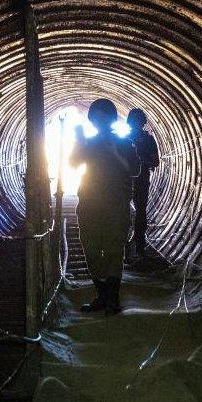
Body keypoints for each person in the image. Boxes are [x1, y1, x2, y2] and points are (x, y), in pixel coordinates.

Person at [70, 99, 140, 315]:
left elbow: (135, 170)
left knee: (113, 251)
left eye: (102, 116)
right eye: (96, 117)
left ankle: (113, 299)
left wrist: (116, 153)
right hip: (90, 203)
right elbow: (73, 163)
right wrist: (79, 141)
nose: (99, 121)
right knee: (91, 250)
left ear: (110, 118)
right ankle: (102, 296)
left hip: (116, 204)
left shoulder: (124, 143)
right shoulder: (88, 142)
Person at [126, 108, 160, 257]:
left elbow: (155, 161)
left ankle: (137, 245)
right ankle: (135, 246)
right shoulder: (126, 139)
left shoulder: (143, 140)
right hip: (130, 181)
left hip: (135, 180)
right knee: (137, 212)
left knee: (138, 212)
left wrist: (140, 161)